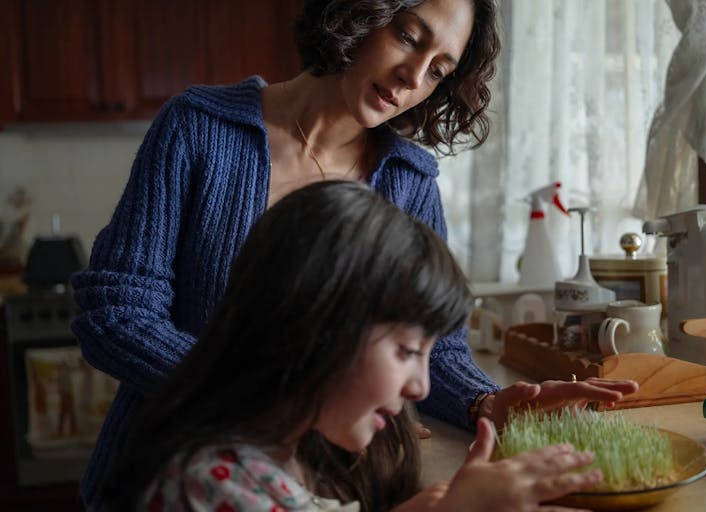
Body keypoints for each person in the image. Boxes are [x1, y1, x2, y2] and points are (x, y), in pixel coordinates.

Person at [72, 0, 638, 509]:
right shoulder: (199, 128)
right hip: (172, 477)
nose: (413, 77)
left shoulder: (409, 179)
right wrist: (287, 401)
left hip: (321, 489)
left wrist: (483, 403)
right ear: (358, 14)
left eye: (439, 70)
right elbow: (116, 315)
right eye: (409, 37)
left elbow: (427, 347)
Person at [102, 180, 605, 512]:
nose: (422, 386)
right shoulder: (211, 486)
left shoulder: (285, 455)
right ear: (316, 328)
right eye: (408, 351)